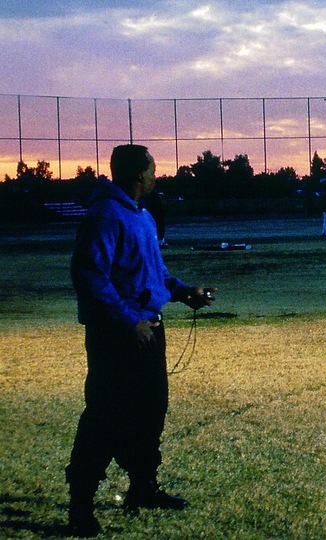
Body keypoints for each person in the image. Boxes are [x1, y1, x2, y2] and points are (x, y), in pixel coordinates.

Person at [66, 144, 216, 537]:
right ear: (137, 176)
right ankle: (80, 504)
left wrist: (187, 293)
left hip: (150, 331)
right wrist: (130, 320)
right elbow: (89, 275)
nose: (156, 176)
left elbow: (156, 274)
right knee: (105, 416)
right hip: (117, 335)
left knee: (151, 411)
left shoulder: (144, 217)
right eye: (153, 170)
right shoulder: (104, 215)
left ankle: (143, 488)